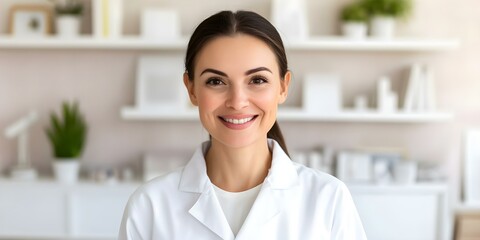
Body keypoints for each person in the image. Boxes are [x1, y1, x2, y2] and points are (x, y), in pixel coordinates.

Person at [119, 10, 367, 240]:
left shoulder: (329, 200)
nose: (237, 102)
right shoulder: (149, 207)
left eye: (257, 80)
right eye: (216, 81)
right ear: (191, 88)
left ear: (283, 86)